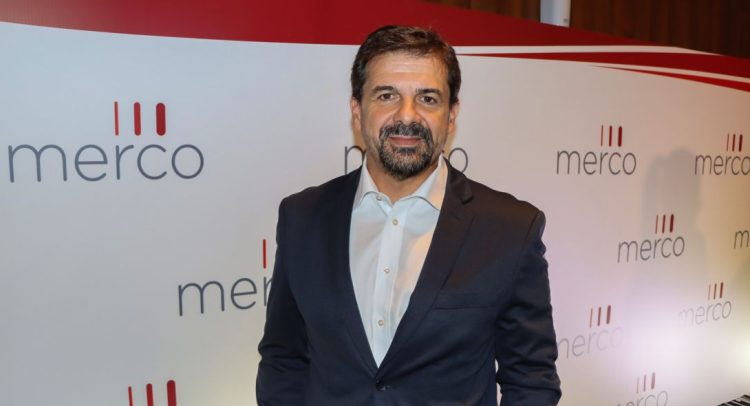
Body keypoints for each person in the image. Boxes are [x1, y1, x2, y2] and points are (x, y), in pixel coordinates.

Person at [257, 25, 561, 405]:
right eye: (387, 95)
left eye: (428, 99)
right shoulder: (302, 218)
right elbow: (284, 358)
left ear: (451, 115)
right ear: (357, 110)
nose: (407, 116)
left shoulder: (511, 229)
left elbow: (531, 380)